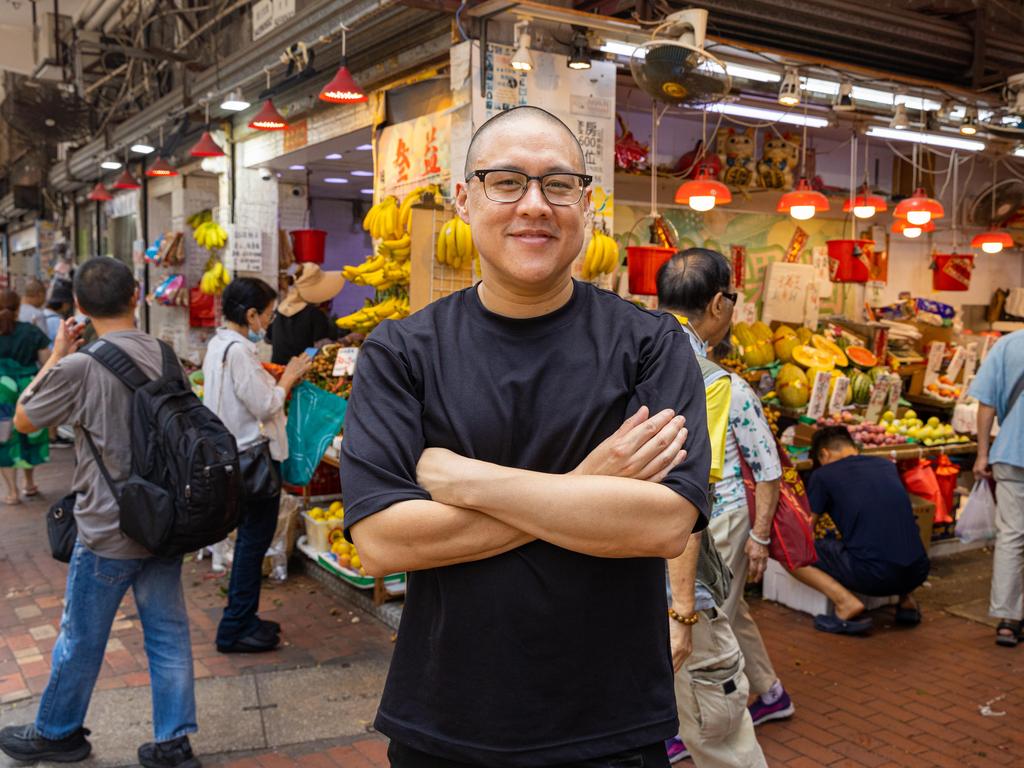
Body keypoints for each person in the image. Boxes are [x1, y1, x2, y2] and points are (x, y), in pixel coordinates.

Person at [340, 105, 711, 768]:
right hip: (446, 719)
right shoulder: (402, 352)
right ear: (465, 198)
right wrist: (590, 487)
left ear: (586, 202)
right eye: (506, 182)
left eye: (557, 184)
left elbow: (663, 525)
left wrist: (466, 481)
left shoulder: (652, 346)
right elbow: (380, 541)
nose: (535, 205)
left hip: (612, 722)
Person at [0, 257, 201, 768]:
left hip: (108, 526)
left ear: (81, 309)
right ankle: (173, 743)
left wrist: (58, 355)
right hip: (163, 520)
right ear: (137, 295)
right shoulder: (165, 353)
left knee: (82, 636)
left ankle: (56, 731)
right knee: (168, 633)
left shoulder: (80, 365)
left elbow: (24, 419)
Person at [655, 249, 793, 727]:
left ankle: (738, 705)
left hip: (697, 521)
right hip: (706, 517)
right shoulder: (721, 383)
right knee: (709, 618)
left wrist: (758, 537)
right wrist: (757, 536)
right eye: (732, 298)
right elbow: (767, 467)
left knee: (717, 615)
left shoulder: (638, 355)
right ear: (718, 304)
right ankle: (730, 710)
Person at [202, 277, 310, 653]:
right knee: (253, 542)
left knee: (250, 540)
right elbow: (264, 405)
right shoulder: (238, 353)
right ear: (250, 315)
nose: (267, 322)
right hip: (253, 460)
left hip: (232, 456)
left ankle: (241, 618)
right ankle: (235, 627)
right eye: (265, 315)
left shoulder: (218, 346)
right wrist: (290, 378)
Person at [790, 426, 930, 635]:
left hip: (874, 577)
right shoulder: (886, 466)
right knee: (893, 528)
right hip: (918, 571)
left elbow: (807, 530)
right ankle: (906, 600)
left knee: (792, 552)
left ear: (824, 454)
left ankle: (845, 604)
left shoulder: (823, 475)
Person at [969, 329, 1024, 646]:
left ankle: (1008, 619)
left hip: (1011, 451)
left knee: (1012, 536)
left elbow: (986, 404)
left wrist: (982, 454)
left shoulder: (1007, 344)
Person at [0, 290, 53, 504]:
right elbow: (48, 364)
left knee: (3, 437)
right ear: (18, 308)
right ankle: (29, 484)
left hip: (1, 389)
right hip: (27, 387)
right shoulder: (31, 331)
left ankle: (12, 492)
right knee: (29, 432)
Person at [267, 263, 343, 365]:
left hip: (276, 372)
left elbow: (268, 339)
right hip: (301, 374)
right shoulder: (315, 315)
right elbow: (323, 348)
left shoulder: (278, 311)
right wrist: (348, 339)